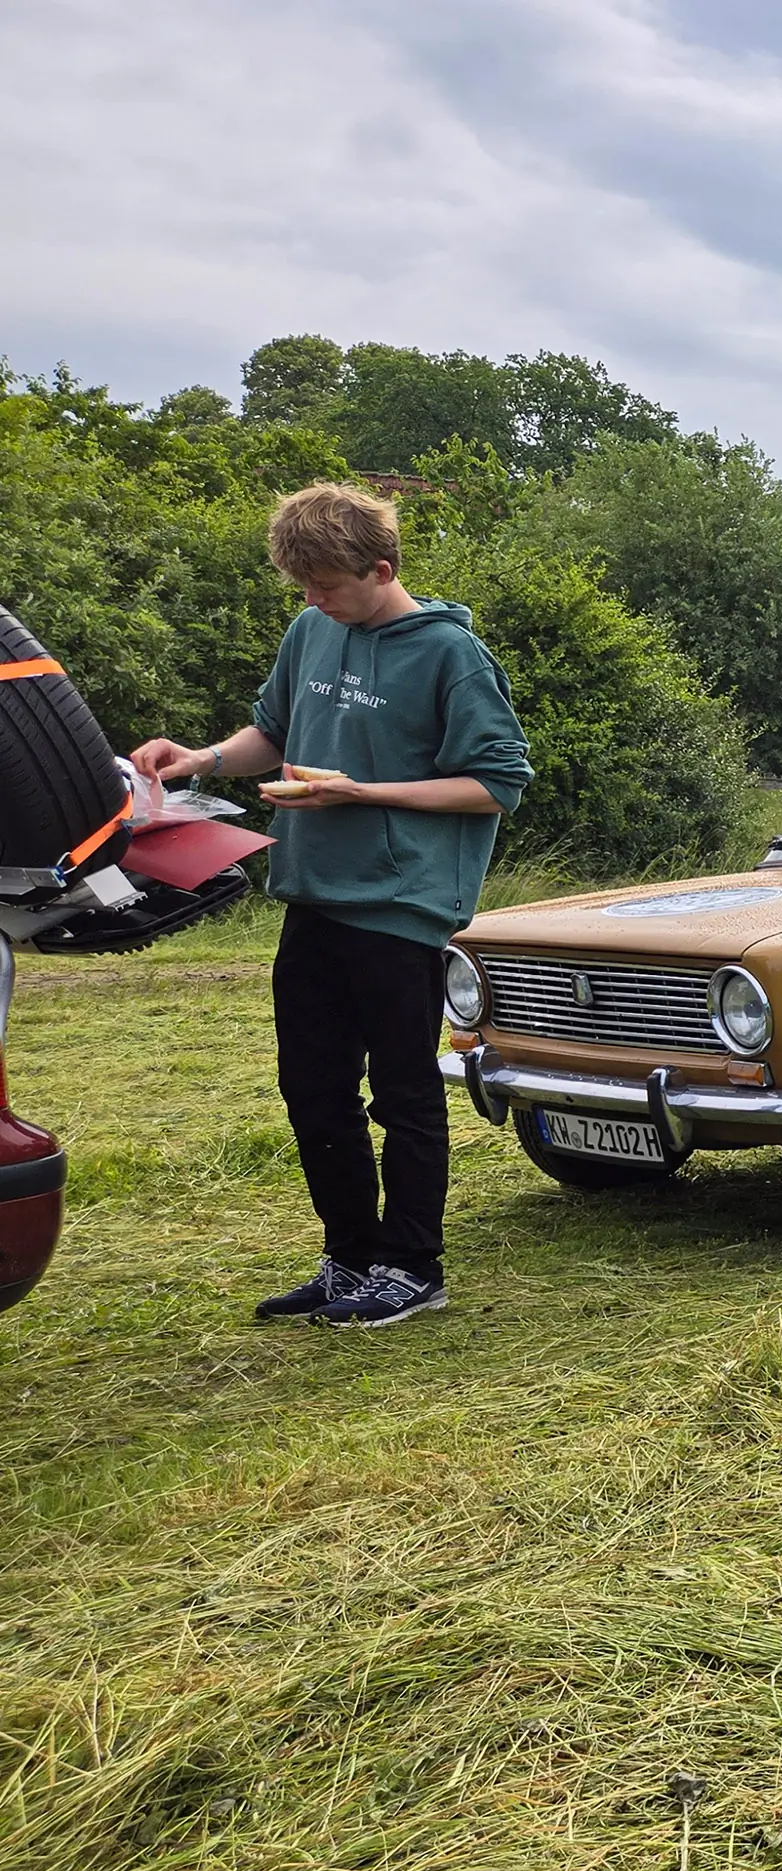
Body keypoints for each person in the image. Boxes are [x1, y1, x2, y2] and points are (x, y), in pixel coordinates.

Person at [134, 483, 532, 1326]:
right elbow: (272, 735)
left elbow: (496, 785)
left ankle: (413, 1266)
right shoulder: (313, 630)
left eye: (325, 586)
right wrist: (196, 760)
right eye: (301, 588)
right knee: (312, 1090)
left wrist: (363, 794)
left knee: (402, 1093)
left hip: (401, 904)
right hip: (310, 894)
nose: (311, 601)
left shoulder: (451, 656)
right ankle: (350, 1259)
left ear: (380, 569)